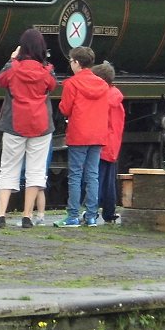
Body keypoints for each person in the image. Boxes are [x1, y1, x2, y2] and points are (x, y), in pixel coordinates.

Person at [0, 28, 57, 229]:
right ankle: (27, 216)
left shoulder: (13, 68)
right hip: (41, 125)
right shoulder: (47, 71)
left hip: (14, 124)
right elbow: (53, 85)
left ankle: (1, 214)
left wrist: (11, 60)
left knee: (9, 167)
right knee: (36, 171)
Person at [56, 45, 109, 227]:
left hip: (79, 134)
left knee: (75, 175)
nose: (70, 64)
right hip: (98, 134)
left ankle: (72, 216)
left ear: (77, 63)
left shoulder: (72, 84)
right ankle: (92, 215)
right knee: (92, 175)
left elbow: (65, 108)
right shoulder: (103, 84)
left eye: (71, 61)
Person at [92, 61, 126, 224]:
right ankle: (109, 212)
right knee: (109, 181)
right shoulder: (116, 97)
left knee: (95, 179)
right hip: (112, 144)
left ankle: (91, 211)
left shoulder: (103, 99)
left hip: (100, 142)